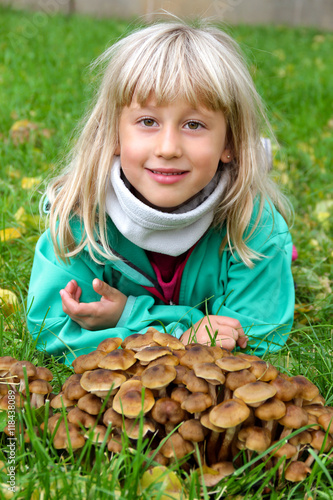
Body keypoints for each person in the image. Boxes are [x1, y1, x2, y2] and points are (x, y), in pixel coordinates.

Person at [27, 20, 295, 365]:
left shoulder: (255, 227)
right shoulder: (80, 217)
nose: (168, 148)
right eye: (148, 122)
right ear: (113, 133)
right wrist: (171, 327)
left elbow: (255, 335)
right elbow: (49, 325)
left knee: (272, 256)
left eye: (194, 124)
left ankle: (286, 258)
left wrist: (126, 321)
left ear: (229, 143)